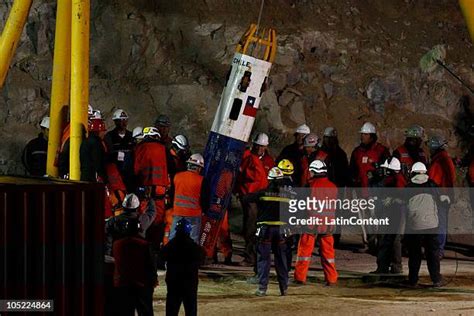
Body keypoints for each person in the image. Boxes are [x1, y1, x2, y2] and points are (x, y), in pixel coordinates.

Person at [244, 167, 296, 296]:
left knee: (263, 260)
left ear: (269, 179)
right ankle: (284, 288)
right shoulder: (287, 195)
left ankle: (262, 289)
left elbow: (246, 198)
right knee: (282, 260)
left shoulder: (263, 193)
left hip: (265, 230)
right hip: (281, 231)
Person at [294, 160, 338, 286]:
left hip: (311, 224)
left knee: (304, 253)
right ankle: (331, 279)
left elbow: (303, 206)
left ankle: (300, 278)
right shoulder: (333, 187)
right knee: (328, 254)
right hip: (328, 225)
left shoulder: (310, 186)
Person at [350, 122, 390, 252]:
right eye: (362, 134)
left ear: (372, 136)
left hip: (377, 191)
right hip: (362, 191)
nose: (363, 137)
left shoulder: (382, 151)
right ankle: (370, 244)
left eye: (365, 134)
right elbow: (352, 170)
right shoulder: (357, 152)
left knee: (377, 218)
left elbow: (388, 171)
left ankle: (381, 244)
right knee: (365, 219)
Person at [404, 162, 444, 287]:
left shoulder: (408, 187)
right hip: (432, 225)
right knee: (432, 254)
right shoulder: (433, 185)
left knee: (414, 254)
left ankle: (413, 280)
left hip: (414, 226)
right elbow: (441, 200)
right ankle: (436, 279)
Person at [134, 126, 170, 261]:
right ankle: (154, 253)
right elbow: (172, 168)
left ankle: (141, 252)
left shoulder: (139, 149)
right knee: (158, 222)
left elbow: (134, 170)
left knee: (143, 220)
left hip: (143, 191)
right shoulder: (163, 150)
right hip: (159, 192)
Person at [235, 133, 271, 266]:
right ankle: (252, 257)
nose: (260, 149)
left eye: (262, 147)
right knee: (250, 227)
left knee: (255, 228)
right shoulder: (249, 158)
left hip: (259, 198)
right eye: (258, 146)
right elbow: (242, 175)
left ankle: (253, 257)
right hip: (250, 197)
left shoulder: (266, 161)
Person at [112, 216, 158, 316]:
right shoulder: (144, 244)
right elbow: (150, 264)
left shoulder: (116, 244)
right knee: (145, 311)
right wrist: (153, 280)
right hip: (141, 284)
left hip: (122, 284)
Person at [161, 218, 204, 316]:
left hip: (174, 283)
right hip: (190, 284)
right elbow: (201, 259)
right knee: (190, 310)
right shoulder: (194, 247)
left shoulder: (171, 245)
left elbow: (161, 256)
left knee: (171, 311)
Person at [372, 157, 406, 274]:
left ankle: (387, 267)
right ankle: (390, 267)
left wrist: (392, 199)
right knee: (389, 239)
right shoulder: (394, 179)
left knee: (388, 239)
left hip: (393, 214)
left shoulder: (396, 180)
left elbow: (403, 197)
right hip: (391, 213)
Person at [426, 135, 456, 258]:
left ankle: (438, 250)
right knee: (441, 222)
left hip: (440, 195)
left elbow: (433, 180)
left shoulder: (439, 160)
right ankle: (438, 248)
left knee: (440, 223)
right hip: (445, 194)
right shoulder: (445, 158)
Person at [320, 127, 350, 246]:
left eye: (332, 139)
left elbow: (345, 172)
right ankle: (323, 236)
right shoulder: (321, 154)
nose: (330, 141)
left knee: (337, 213)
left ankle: (335, 237)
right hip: (323, 188)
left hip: (337, 188)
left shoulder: (340, 154)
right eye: (329, 138)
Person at [169, 154, 205, 244]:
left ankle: (170, 256)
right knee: (193, 240)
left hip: (178, 212)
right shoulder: (201, 180)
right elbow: (205, 199)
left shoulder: (177, 176)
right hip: (194, 214)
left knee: (173, 237)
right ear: (199, 168)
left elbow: (171, 193)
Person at [105, 109, 135, 191]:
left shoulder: (131, 136)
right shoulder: (109, 136)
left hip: (129, 172)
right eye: (121, 120)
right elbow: (108, 154)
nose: (124, 123)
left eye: (125, 120)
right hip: (115, 172)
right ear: (115, 122)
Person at [80, 118, 107, 182]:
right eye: (103, 131)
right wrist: (104, 177)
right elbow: (97, 162)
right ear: (98, 131)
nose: (104, 133)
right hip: (93, 178)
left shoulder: (85, 142)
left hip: (84, 177)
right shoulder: (97, 143)